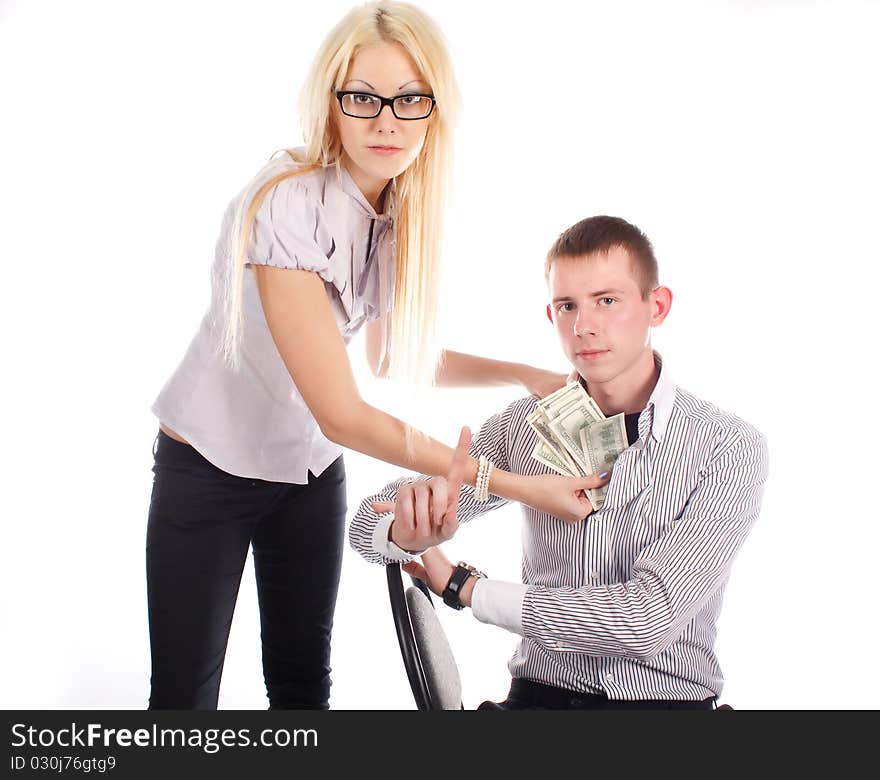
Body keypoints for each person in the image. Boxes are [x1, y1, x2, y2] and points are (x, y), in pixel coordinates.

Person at [146, 0, 597, 711]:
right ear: (332, 104)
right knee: (183, 702)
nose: (387, 120)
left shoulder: (395, 211)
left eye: (409, 99)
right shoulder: (287, 203)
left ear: (433, 111)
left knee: (302, 687)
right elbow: (346, 412)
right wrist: (514, 483)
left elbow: (394, 358)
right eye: (364, 98)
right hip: (210, 467)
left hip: (306, 469)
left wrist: (522, 372)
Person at [350, 215, 769, 710]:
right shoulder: (525, 426)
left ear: (656, 307)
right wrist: (405, 530)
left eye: (607, 301)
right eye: (566, 305)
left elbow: (644, 621)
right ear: (551, 315)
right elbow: (364, 528)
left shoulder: (729, 446)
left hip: (665, 709)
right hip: (536, 702)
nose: (583, 326)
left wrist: (469, 589)